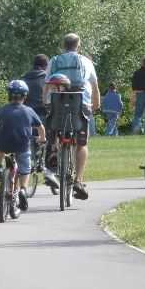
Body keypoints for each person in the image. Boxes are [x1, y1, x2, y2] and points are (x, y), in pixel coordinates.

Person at [46, 33, 99, 199]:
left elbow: (47, 86)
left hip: (57, 102)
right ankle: (78, 180)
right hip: (80, 104)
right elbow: (95, 87)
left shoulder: (54, 61)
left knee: (54, 123)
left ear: (63, 46)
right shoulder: (86, 61)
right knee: (82, 144)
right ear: (79, 46)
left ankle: (54, 149)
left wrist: (46, 104)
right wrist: (95, 106)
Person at [0, 79, 47, 214]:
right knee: (25, 167)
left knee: (1, 144)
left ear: (9, 96)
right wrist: (42, 139)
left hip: (3, 142)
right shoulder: (29, 110)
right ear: (24, 96)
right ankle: (23, 189)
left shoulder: (3, 109)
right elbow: (41, 128)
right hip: (21, 144)